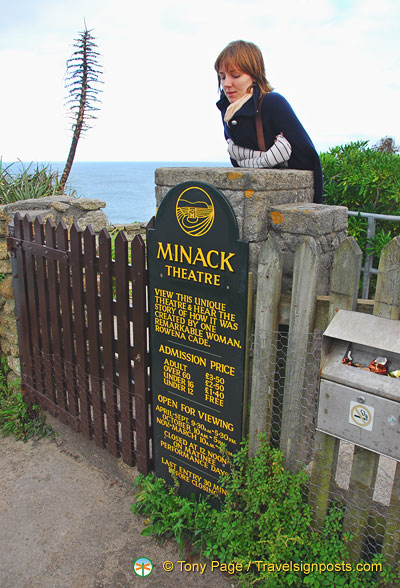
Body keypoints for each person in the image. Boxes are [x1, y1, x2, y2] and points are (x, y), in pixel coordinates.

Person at [215, 40, 323, 203]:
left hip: (289, 199)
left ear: (254, 75)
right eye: (222, 77)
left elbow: (306, 158)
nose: (226, 84)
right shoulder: (228, 111)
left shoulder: (272, 103)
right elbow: (235, 159)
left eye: (235, 75)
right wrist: (271, 155)